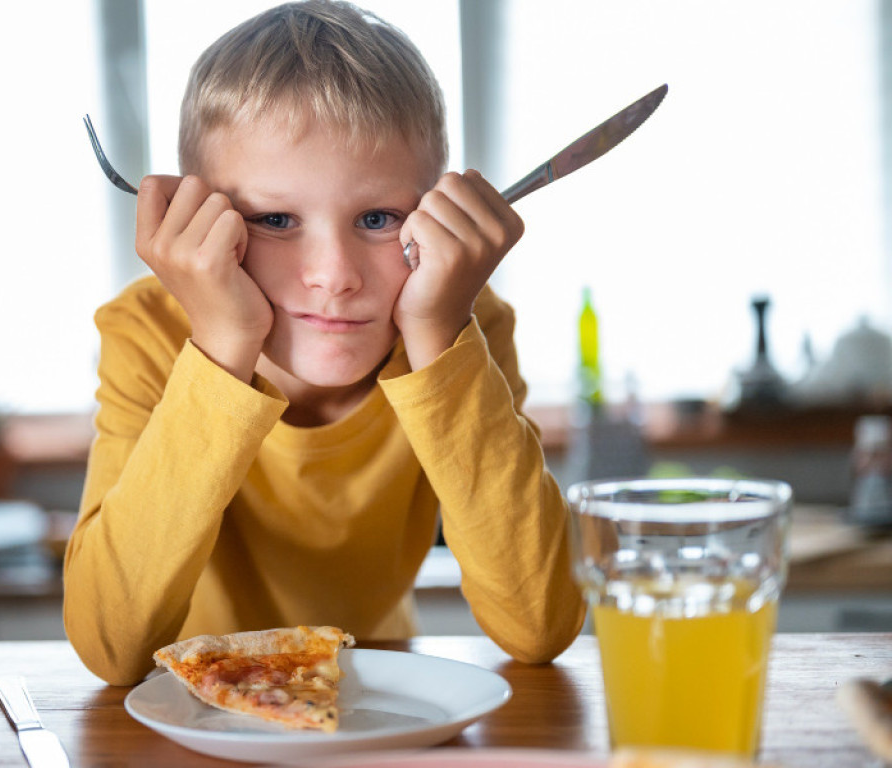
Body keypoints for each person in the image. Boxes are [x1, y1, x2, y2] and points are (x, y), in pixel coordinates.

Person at [63, 0, 585, 686]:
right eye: (276, 219)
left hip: (375, 699)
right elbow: (111, 645)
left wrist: (437, 335)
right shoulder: (147, 332)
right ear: (202, 221)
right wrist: (223, 343)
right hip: (189, 716)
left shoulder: (463, 324)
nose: (334, 277)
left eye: (377, 217)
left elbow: (539, 626)